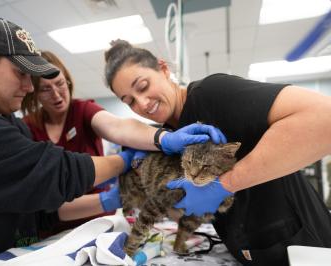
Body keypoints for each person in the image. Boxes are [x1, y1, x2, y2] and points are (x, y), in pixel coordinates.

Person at [0, 19, 224, 266]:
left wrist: (159, 139)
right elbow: (56, 171)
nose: (28, 87)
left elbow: (41, 209)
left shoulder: (14, 124)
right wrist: (125, 161)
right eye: (21, 73)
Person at [104, 39, 331, 266]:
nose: (142, 104)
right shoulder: (170, 133)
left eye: (143, 86)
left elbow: (325, 117)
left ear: (163, 69)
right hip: (253, 250)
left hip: (301, 247)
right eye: (129, 101)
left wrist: (223, 185)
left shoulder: (212, 94)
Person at [21, 50, 227, 235]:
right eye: (45, 89)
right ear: (33, 92)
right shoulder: (26, 128)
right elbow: (40, 195)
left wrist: (162, 138)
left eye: (60, 84)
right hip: (50, 229)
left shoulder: (82, 110)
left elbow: (117, 127)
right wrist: (117, 190)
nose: (57, 94)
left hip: (99, 224)